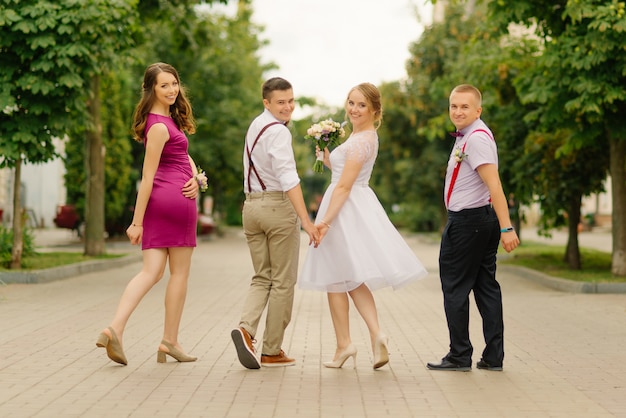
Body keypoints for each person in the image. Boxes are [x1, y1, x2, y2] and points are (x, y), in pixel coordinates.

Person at [299, 83, 428, 369]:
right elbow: (345, 174)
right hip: (350, 203)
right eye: (351, 103)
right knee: (350, 277)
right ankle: (373, 334)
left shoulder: (361, 141)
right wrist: (326, 155)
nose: (353, 109)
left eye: (361, 105)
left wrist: (325, 222)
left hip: (344, 208)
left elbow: (345, 185)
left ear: (374, 110)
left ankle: (346, 344)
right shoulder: (364, 137)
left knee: (335, 277)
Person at [96, 62, 202, 365]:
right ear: (151, 89)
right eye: (163, 85)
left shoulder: (167, 122)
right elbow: (147, 175)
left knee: (151, 272)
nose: (171, 90)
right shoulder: (158, 126)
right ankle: (170, 341)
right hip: (174, 202)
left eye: (174, 83)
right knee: (178, 273)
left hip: (167, 199)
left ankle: (114, 328)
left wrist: (196, 178)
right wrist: (136, 222)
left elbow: (184, 156)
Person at [427, 84, 519, 372]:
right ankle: (493, 357)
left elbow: (495, 185)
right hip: (479, 220)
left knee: (454, 288)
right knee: (485, 287)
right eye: (454, 106)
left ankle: (459, 355)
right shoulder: (469, 135)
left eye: (464, 106)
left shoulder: (476, 139)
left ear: (478, 110)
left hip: (469, 223)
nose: (457, 111)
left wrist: (507, 228)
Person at [231, 77, 319, 369]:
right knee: (282, 280)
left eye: (291, 101)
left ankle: (245, 329)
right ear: (266, 102)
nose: (288, 107)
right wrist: (306, 220)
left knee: (262, 276)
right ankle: (271, 350)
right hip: (277, 207)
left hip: (251, 207)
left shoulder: (256, 125)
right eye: (281, 102)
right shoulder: (279, 133)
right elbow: (289, 177)